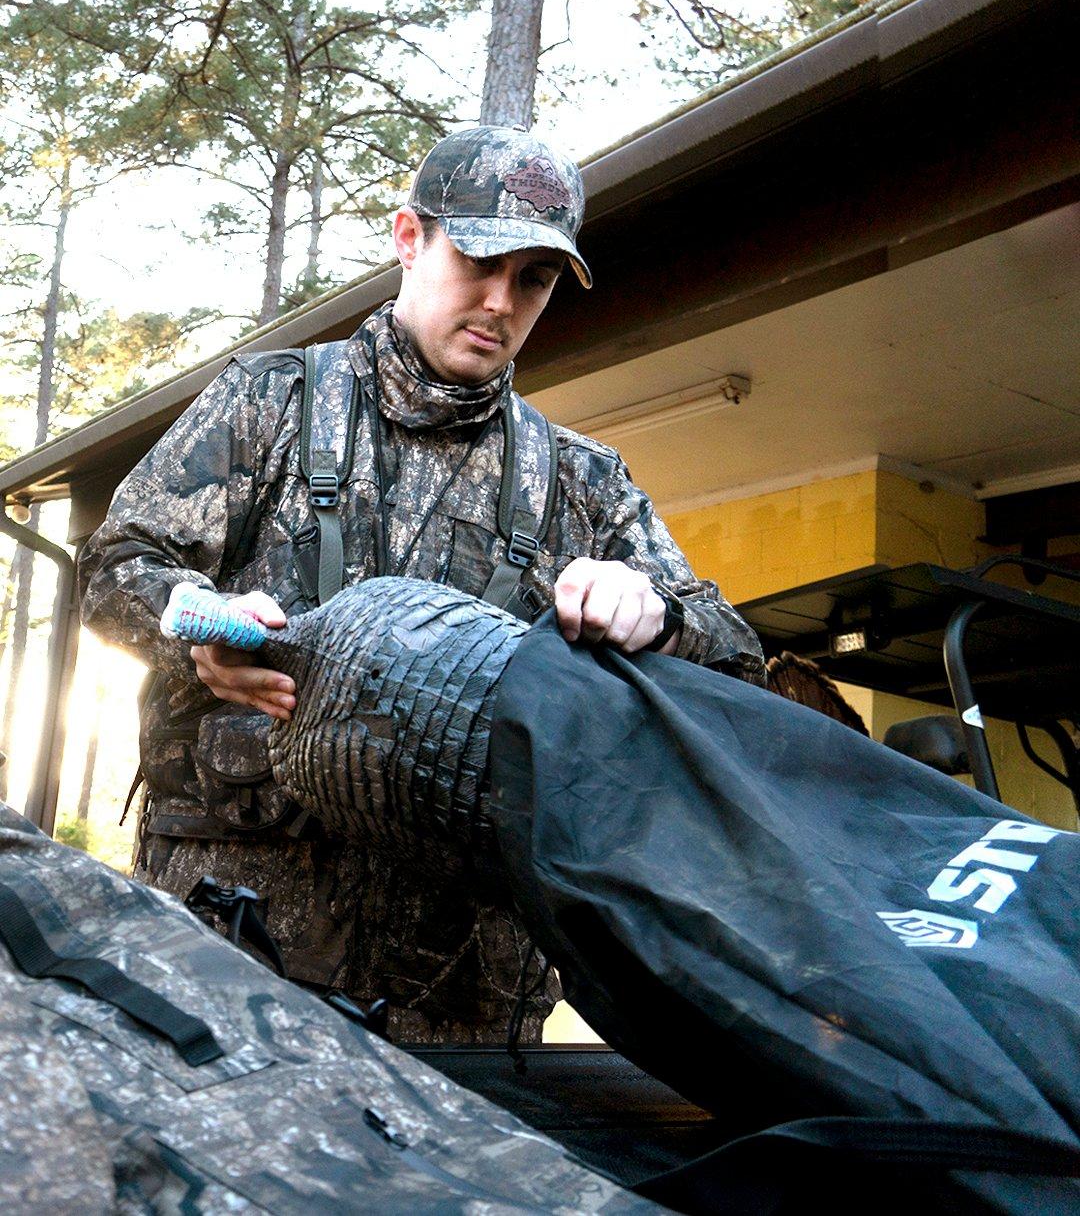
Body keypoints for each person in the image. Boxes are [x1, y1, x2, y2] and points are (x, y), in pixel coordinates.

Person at [78, 124, 766, 1044]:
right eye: (479, 258)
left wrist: (659, 614)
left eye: (535, 278)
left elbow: (738, 659)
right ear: (409, 238)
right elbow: (116, 567)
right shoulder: (269, 403)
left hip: (462, 1000)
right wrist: (197, 630)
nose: (500, 301)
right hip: (229, 957)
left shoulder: (582, 482)